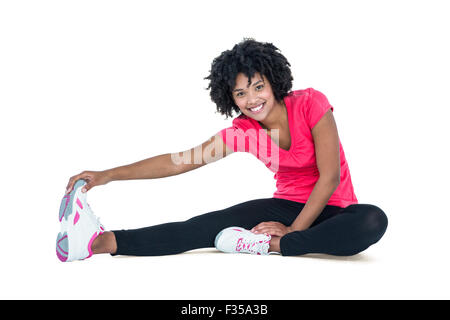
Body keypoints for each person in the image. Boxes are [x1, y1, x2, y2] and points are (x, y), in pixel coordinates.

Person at [57, 38, 388, 262]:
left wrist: (291, 232)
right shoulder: (242, 132)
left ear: (274, 81)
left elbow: (329, 177)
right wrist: (107, 175)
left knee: (372, 220)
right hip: (285, 204)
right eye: (241, 94)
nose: (252, 99)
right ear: (230, 98)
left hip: (335, 210)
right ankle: (100, 242)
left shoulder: (310, 104)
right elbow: (177, 162)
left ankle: (269, 246)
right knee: (202, 226)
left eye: (258, 86)